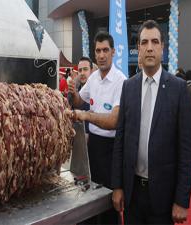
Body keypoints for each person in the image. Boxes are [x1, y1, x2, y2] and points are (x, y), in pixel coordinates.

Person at [112, 20, 191, 225]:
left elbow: (185, 151)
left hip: (163, 198)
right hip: (132, 195)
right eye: (144, 42)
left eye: (155, 41)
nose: (149, 47)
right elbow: (120, 139)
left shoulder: (179, 89)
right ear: (138, 48)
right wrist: (118, 186)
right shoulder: (128, 87)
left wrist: (182, 200)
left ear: (162, 47)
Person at [68, 31, 126, 224]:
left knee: (109, 205)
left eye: (105, 50)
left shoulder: (121, 81)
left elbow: (113, 121)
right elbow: (78, 101)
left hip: (111, 150)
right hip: (92, 149)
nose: (101, 55)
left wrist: (86, 115)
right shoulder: (93, 79)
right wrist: (73, 91)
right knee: (89, 200)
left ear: (113, 52)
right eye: (98, 51)